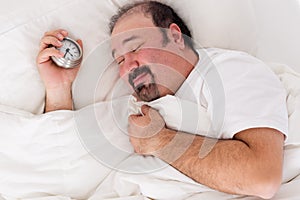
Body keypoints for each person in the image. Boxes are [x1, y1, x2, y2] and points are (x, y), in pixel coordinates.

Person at [36, 1, 288, 199]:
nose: (127, 68)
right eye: (119, 60)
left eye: (134, 48)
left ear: (176, 37)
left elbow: (262, 177)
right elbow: (65, 166)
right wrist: (59, 88)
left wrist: (159, 141)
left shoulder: (230, 70)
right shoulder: (140, 109)